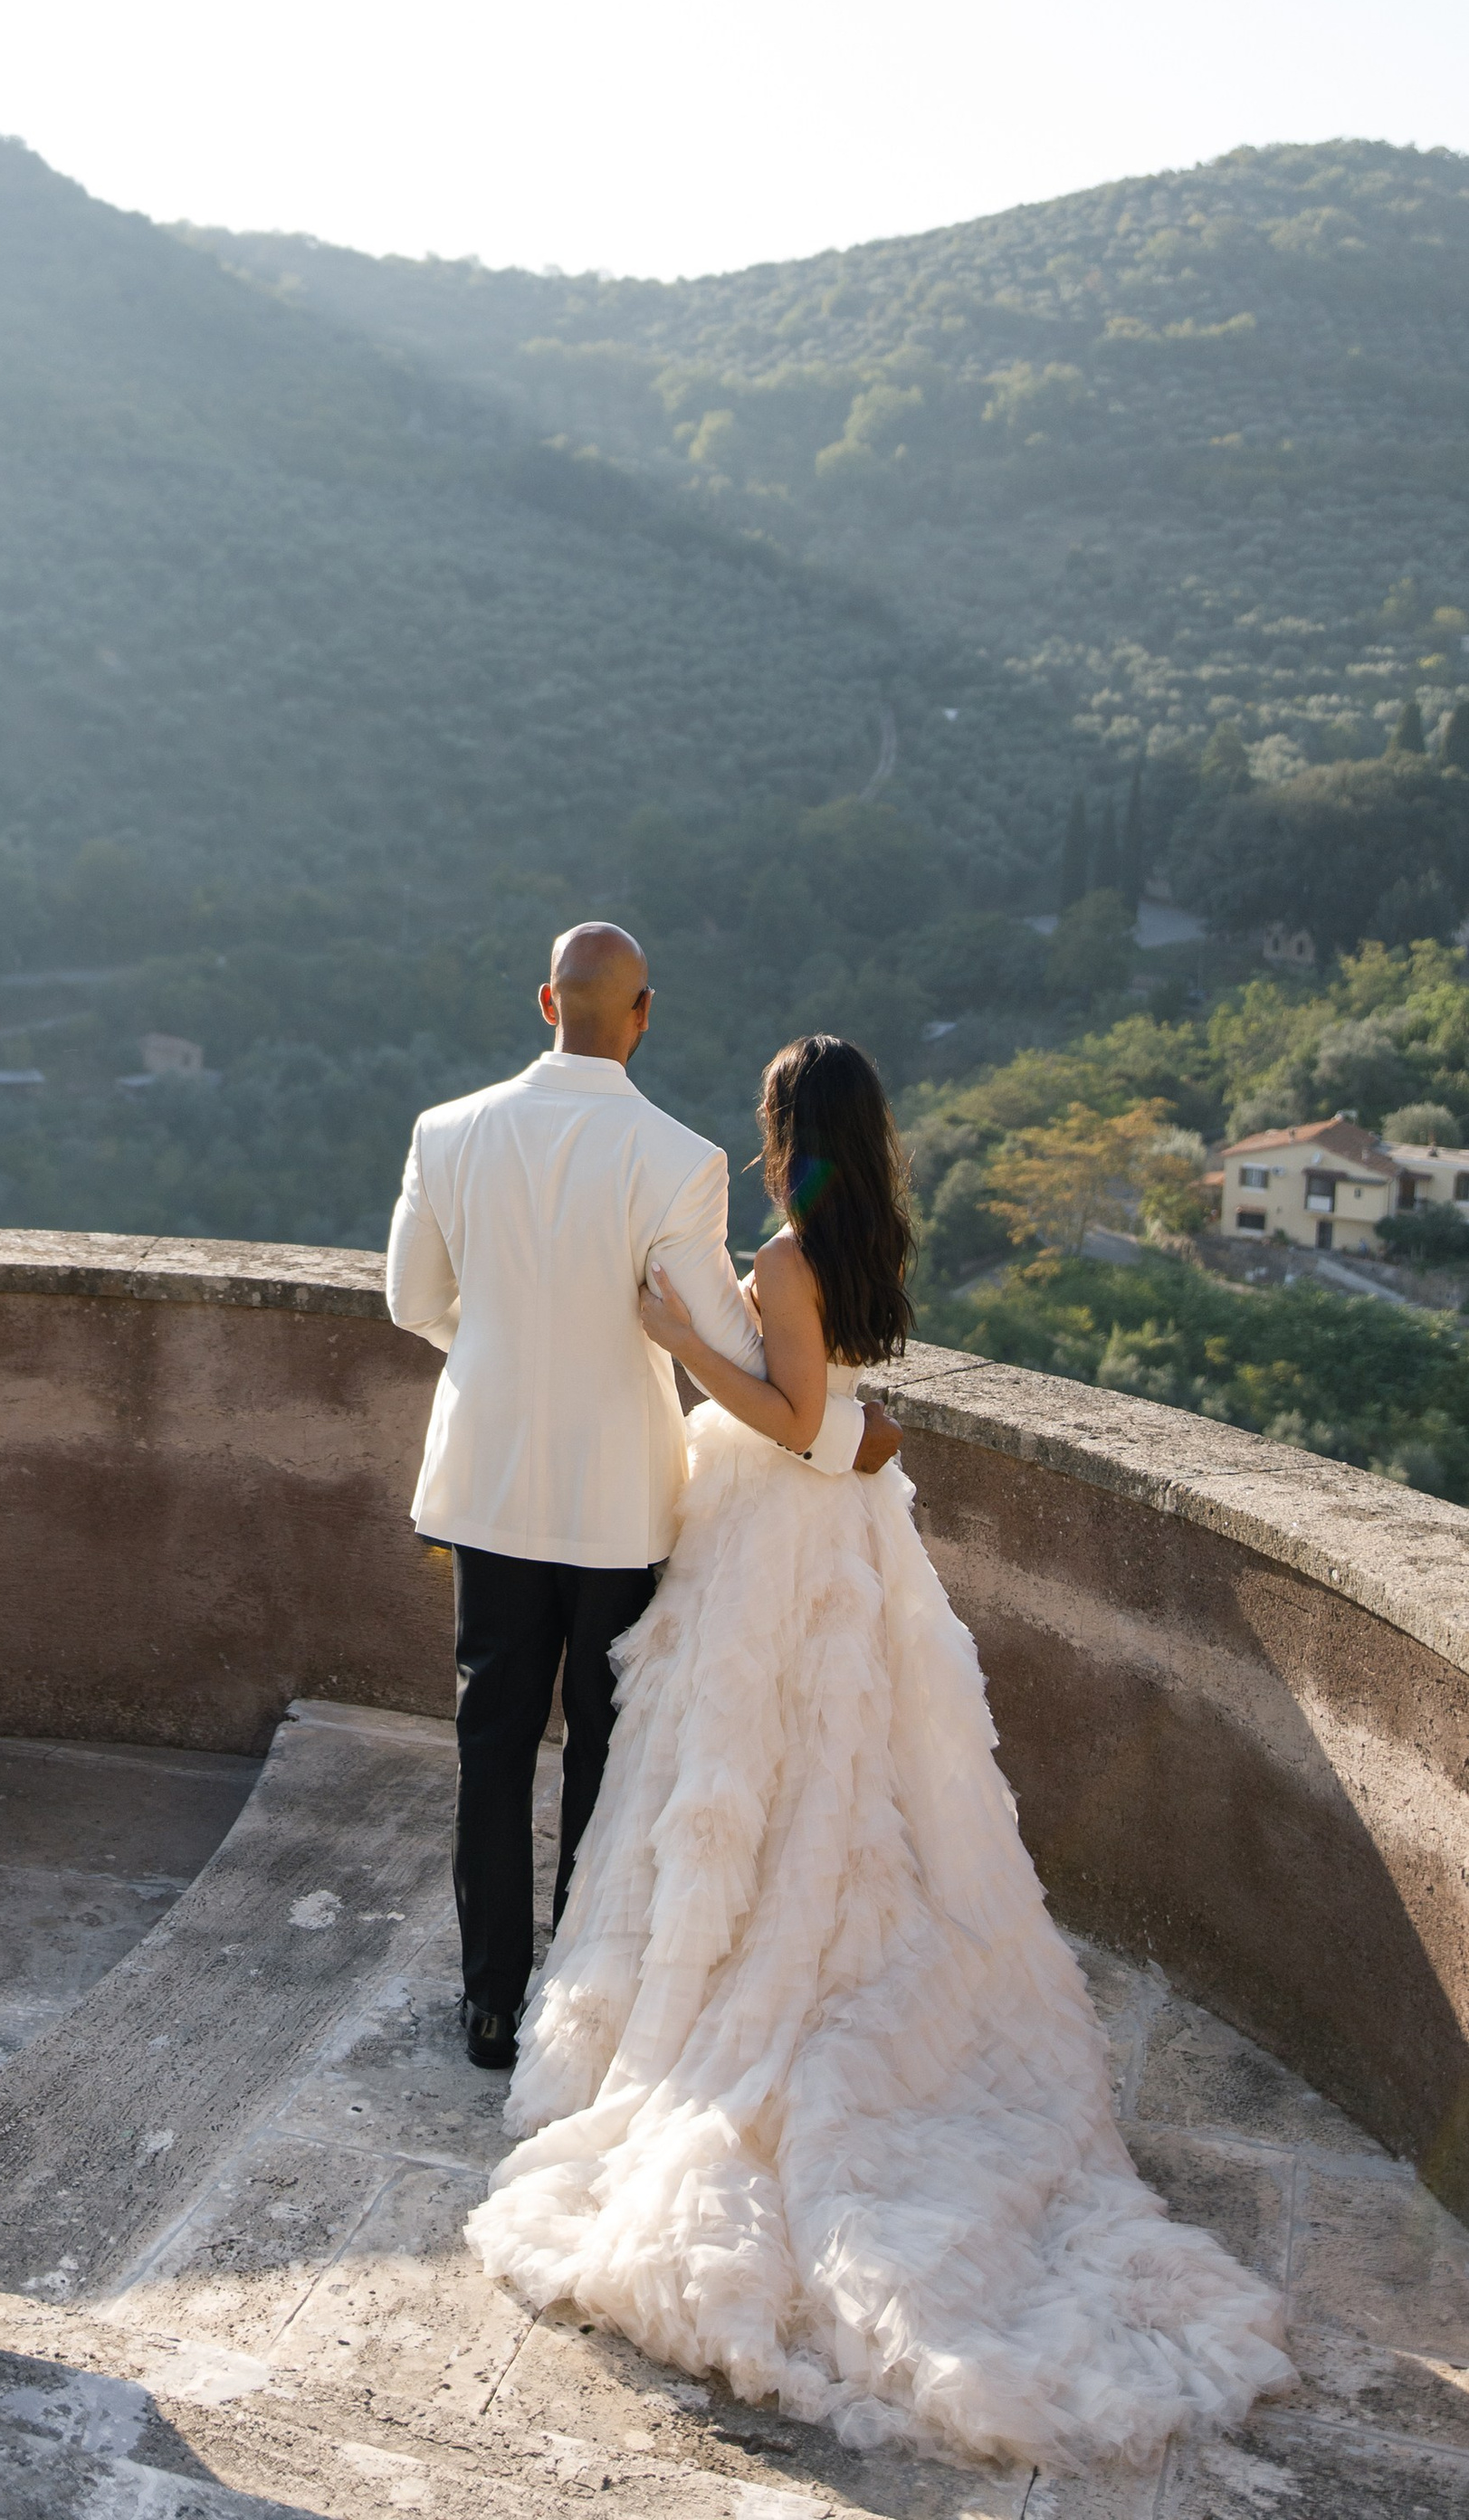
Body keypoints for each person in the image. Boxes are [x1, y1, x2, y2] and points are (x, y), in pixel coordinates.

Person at [463, 1032, 1293, 2471]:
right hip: (855, 1536)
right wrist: (818, 1407)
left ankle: (742, 1998)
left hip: (779, 1538)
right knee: (850, 1782)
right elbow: (847, 1416)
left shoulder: (783, 1262)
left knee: (749, 1767)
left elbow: (791, 1423)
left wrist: (675, 1345)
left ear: (791, 1132)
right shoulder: (861, 1251)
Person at [385, 927, 902, 2075]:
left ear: (543, 1002)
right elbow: (732, 1343)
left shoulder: (445, 1131)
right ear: (643, 1013)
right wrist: (846, 1426)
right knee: (603, 1748)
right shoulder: (676, 1155)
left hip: (490, 1481)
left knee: (491, 1736)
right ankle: (579, 1994)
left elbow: (410, 1300)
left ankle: (486, 2007)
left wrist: (505, 1356)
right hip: (623, 1492)